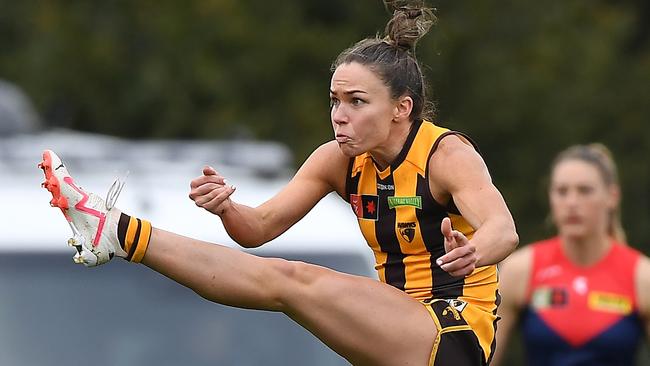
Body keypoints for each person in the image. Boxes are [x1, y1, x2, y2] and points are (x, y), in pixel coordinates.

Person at [38, 1, 518, 365]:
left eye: (356, 102)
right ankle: (119, 233)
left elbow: (504, 229)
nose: (338, 116)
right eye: (334, 101)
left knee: (292, 280)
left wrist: (476, 251)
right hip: (396, 324)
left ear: (401, 108)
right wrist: (228, 208)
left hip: (454, 334)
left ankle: (118, 232)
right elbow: (257, 230)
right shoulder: (337, 160)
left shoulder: (446, 155)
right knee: (281, 284)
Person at [493, 144, 650, 366]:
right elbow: (485, 358)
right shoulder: (521, 270)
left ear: (612, 196)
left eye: (584, 190)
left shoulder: (642, 277)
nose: (572, 203)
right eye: (562, 191)